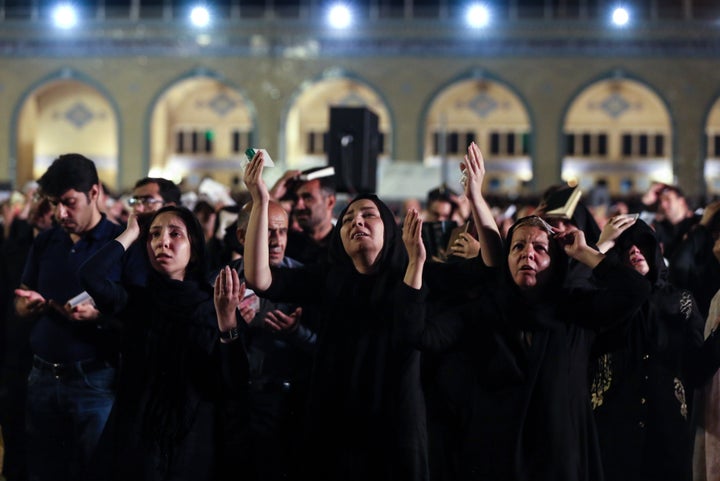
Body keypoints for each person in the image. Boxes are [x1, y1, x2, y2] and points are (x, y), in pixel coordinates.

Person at [398, 208, 651, 480]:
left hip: (561, 462)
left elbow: (636, 291)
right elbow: (419, 334)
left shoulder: (575, 311)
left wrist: (584, 253)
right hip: (497, 462)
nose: (527, 253)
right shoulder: (486, 311)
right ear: (506, 259)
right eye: (517, 246)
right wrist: (415, 262)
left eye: (540, 248)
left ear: (556, 261)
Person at [242, 150, 428, 481]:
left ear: (390, 228)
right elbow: (260, 279)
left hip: (393, 421)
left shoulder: (415, 275)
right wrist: (260, 200)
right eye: (348, 218)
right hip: (337, 418)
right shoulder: (328, 277)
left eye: (368, 215)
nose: (355, 220)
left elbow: (489, 270)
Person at [79, 205, 248, 481]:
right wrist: (131, 232)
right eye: (154, 235)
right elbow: (90, 276)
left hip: (193, 436)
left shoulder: (214, 304)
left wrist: (228, 321)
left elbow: (234, 379)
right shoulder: (137, 300)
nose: (162, 242)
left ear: (194, 244)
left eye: (175, 234)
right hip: (139, 435)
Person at [13, 153, 124, 481]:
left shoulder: (118, 243)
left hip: (95, 378)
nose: (60, 213)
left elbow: (133, 311)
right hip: (43, 375)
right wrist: (25, 305)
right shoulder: (47, 240)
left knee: (96, 468)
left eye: (69, 202)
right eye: (54, 204)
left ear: (94, 193)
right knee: (44, 469)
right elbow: (22, 293)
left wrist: (99, 315)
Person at [590, 218, 720, 481]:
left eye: (641, 244)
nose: (634, 250)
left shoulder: (678, 301)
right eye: (625, 246)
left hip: (667, 432)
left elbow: (696, 370)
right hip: (613, 431)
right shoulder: (600, 301)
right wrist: (600, 246)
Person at [217, 199, 315, 481]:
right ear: (241, 237)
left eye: (282, 232)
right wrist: (231, 324)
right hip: (238, 404)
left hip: (290, 404)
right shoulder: (220, 282)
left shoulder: (304, 279)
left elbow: (325, 347)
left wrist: (297, 333)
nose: (275, 241)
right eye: (266, 231)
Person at [283, 166, 337, 264]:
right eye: (296, 199)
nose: (298, 206)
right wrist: (272, 197)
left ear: (330, 202)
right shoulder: (285, 244)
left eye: (307, 198)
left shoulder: (344, 247)